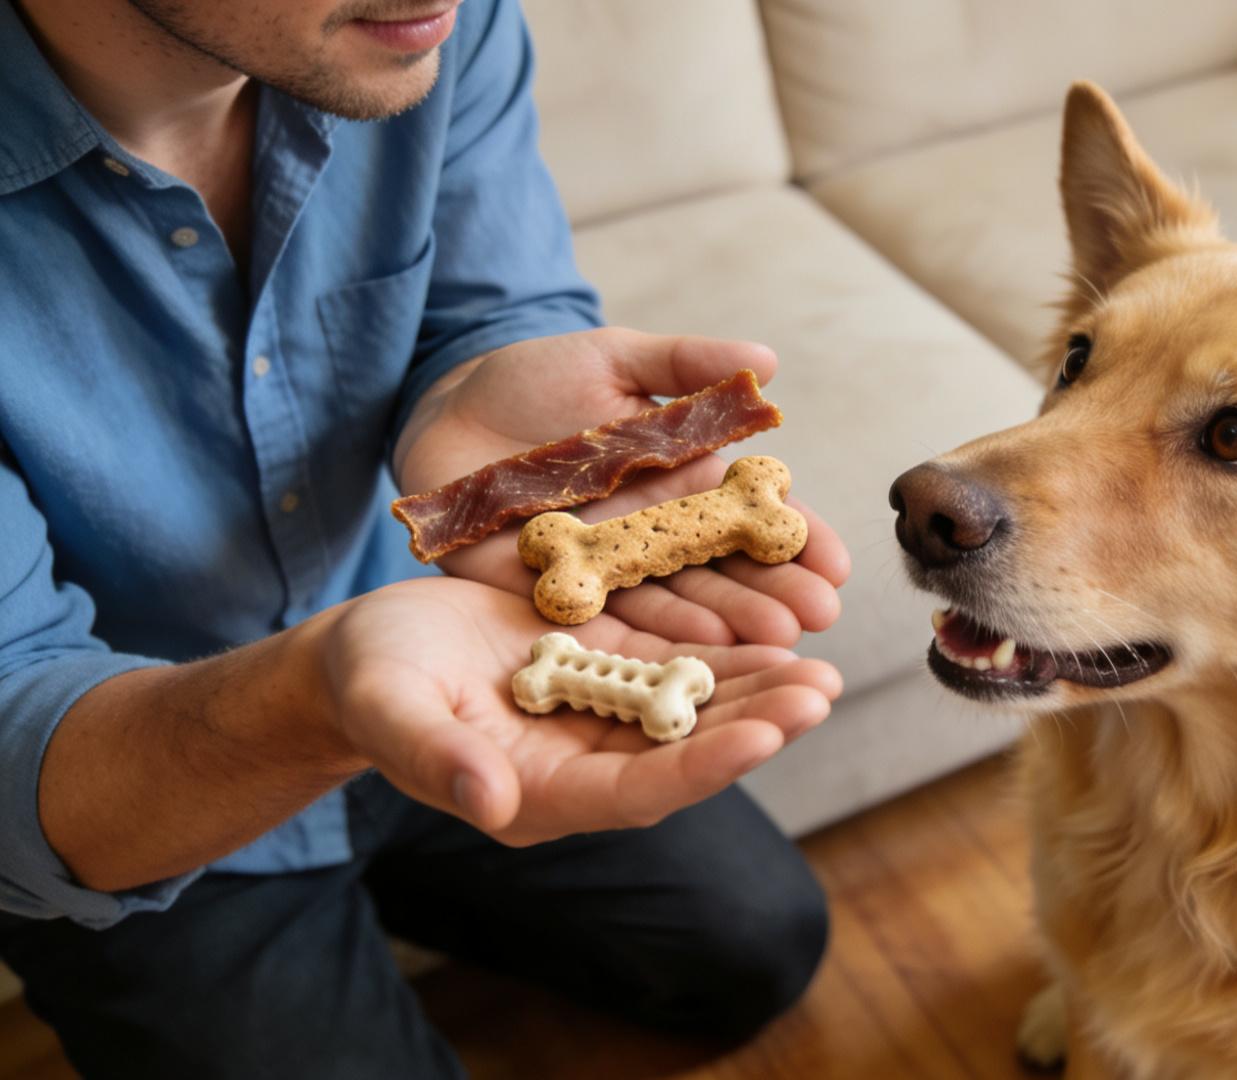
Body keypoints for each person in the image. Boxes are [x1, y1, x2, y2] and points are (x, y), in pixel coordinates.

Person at [0, 0, 853, 1074]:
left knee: (759, 944)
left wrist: (477, 394)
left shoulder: (431, 29)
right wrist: (318, 698)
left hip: (470, 652)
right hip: (144, 774)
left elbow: (490, 309)